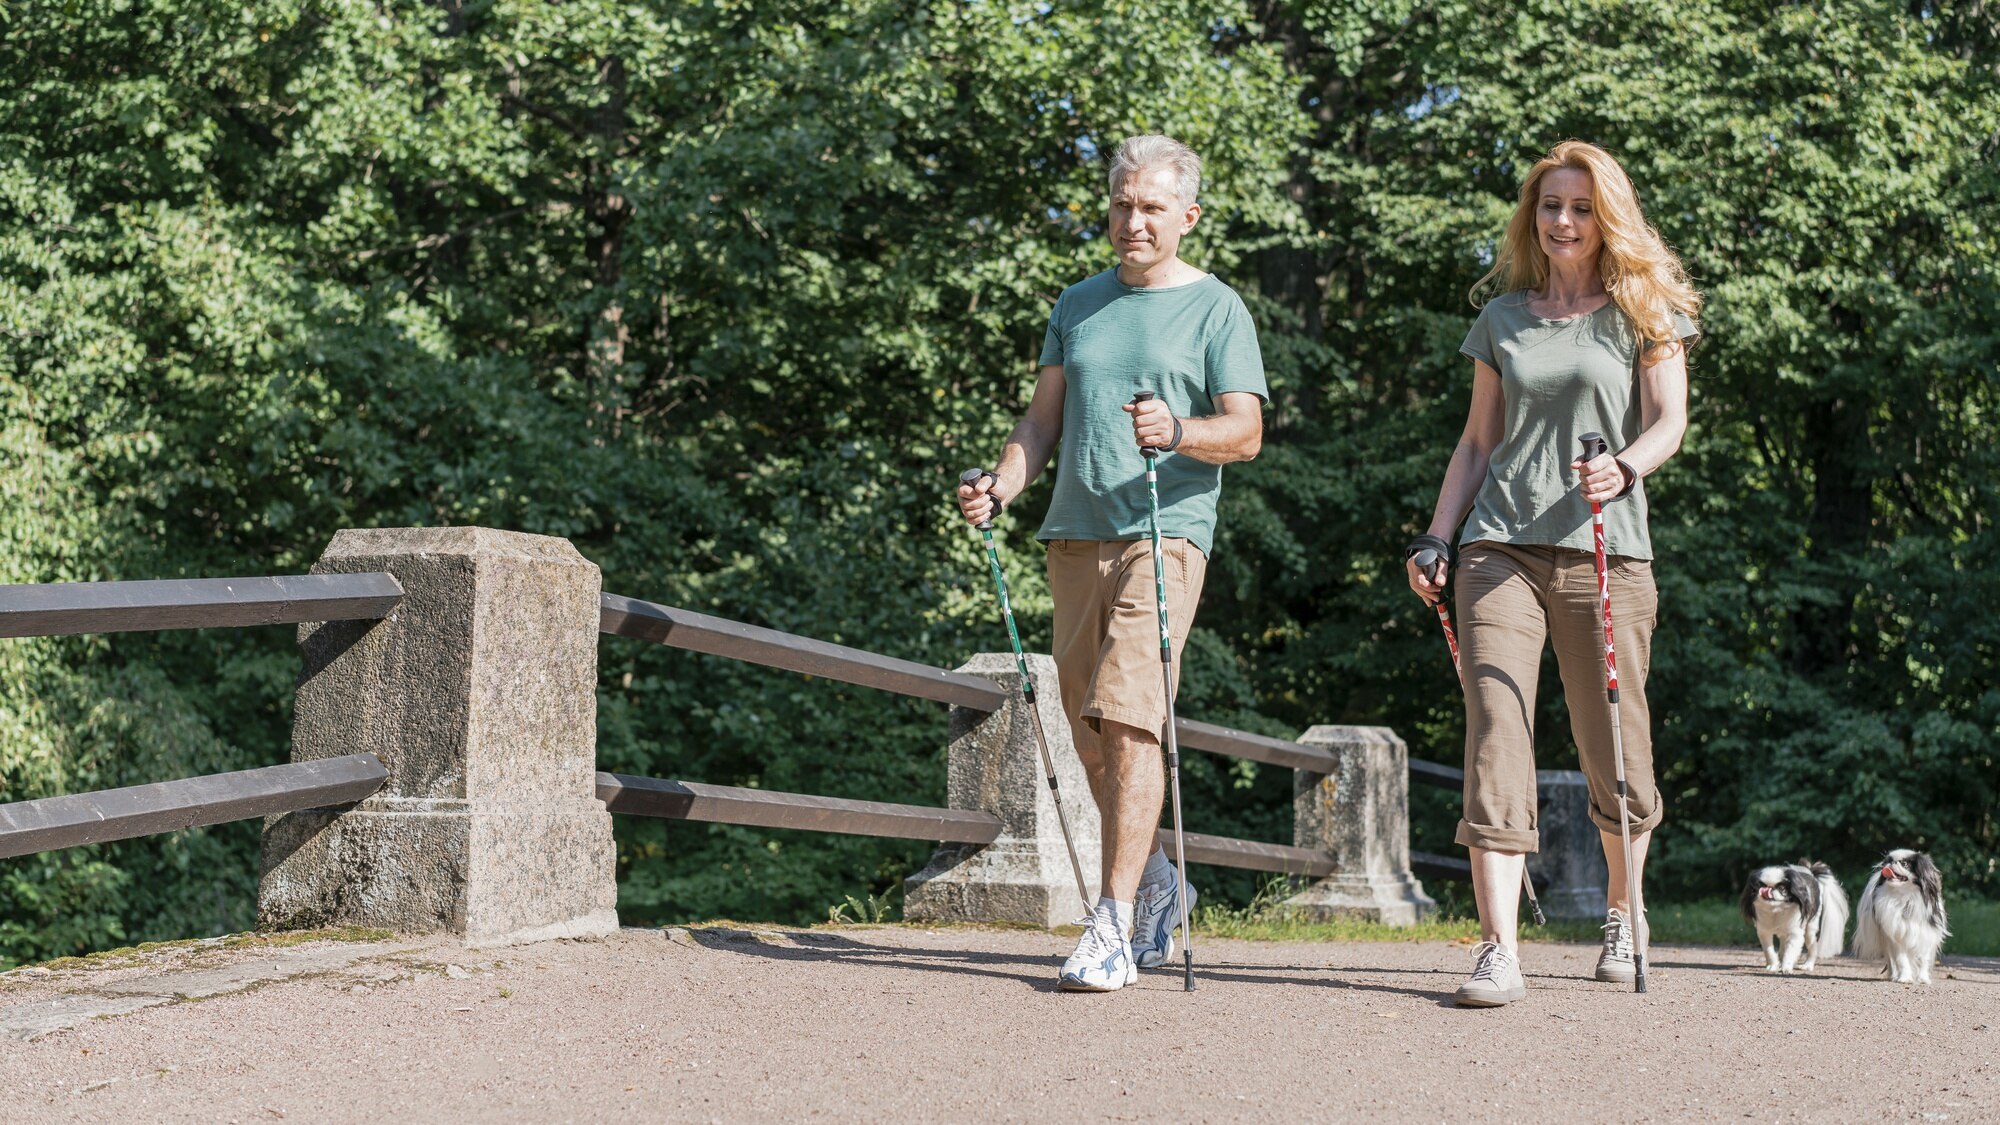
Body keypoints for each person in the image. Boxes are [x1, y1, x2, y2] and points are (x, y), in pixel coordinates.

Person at [957, 134, 1266, 992]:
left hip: (1165, 533)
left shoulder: (1217, 309)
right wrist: (1001, 484)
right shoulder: (1079, 303)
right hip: (1074, 533)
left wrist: (1180, 430)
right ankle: (1160, 882)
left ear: (1187, 216)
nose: (1135, 221)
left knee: (1132, 717)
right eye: (1123, 204)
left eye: (1152, 207)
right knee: (1091, 736)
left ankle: (1111, 921)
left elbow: (1246, 431)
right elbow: (1040, 422)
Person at [1406, 140, 1700, 1007]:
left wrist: (1625, 467)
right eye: (1549, 205)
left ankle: (1623, 911)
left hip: (1608, 549)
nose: (1562, 221)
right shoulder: (1504, 318)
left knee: (1614, 740)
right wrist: (1437, 537)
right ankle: (1499, 947)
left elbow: (1669, 420)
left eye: (1579, 207)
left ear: (1605, 217)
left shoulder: (1643, 310)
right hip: (1499, 547)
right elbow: (1477, 441)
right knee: (1497, 727)